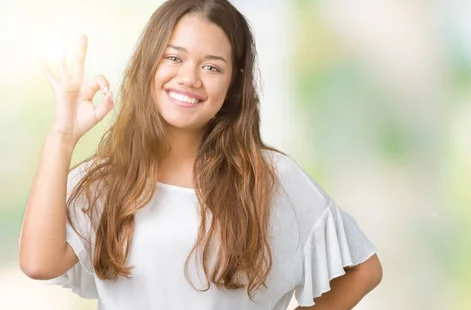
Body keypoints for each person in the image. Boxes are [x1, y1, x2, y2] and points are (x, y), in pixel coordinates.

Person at [18, 0, 382, 309]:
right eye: (174, 58)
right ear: (148, 63)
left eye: (211, 67)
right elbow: (38, 263)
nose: (189, 78)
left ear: (234, 82)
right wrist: (62, 136)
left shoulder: (268, 178)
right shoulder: (107, 180)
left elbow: (363, 268)